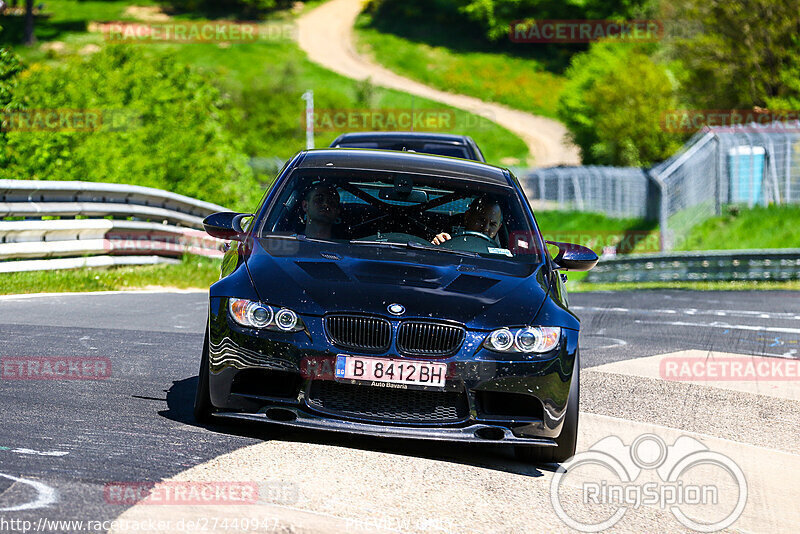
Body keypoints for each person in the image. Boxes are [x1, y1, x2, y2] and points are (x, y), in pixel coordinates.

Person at [432, 196, 502, 245]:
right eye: (481, 220)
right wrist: (437, 244)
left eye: (492, 224)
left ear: (498, 228)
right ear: (467, 217)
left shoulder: (502, 254)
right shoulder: (446, 236)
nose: (486, 228)